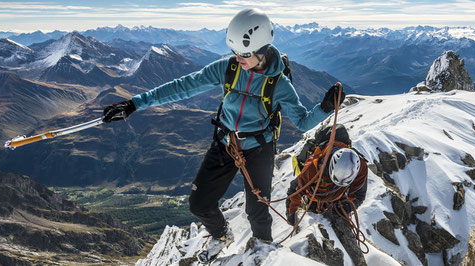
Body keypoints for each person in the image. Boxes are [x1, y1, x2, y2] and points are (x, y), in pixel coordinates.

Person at [103, 8, 344, 263]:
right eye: (235, 52)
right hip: (226, 142)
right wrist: (134, 104)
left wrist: (326, 108)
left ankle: (263, 249)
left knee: (257, 211)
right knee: (199, 204)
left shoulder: (280, 85)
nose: (238, 58)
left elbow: (304, 121)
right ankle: (221, 235)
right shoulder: (228, 68)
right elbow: (184, 85)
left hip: (259, 148)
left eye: (244, 53)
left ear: (262, 51)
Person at [285, 124, 368, 226]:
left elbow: (359, 194)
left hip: (338, 196)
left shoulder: (361, 167)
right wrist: (292, 213)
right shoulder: (313, 166)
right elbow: (295, 189)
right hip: (316, 195)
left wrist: (348, 206)